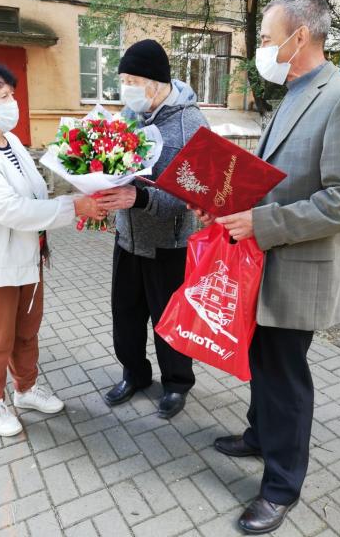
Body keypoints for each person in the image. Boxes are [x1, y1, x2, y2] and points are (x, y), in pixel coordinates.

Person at [192, 0, 340, 534]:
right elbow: (274, 177)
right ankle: (259, 436)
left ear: (300, 38)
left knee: (285, 377)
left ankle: (282, 485)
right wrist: (222, 203)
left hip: (298, 267)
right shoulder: (292, 91)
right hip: (265, 261)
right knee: (262, 359)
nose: (262, 48)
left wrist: (261, 225)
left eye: (267, 39)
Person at [0, 60, 104, 437]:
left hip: (27, 258)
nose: (13, 102)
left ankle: (26, 389)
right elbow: (8, 209)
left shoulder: (11, 142)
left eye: (12, 93)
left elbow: (34, 193)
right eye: (3, 96)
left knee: (26, 332)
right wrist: (74, 207)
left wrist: (84, 189)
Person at [97, 39, 209, 419]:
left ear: (157, 82)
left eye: (132, 79)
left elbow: (198, 192)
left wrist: (141, 199)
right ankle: (135, 374)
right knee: (125, 314)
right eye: (123, 78)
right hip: (127, 238)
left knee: (170, 320)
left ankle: (177, 383)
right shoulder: (129, 116)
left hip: (170, 244)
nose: (126, 86)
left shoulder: (191, 124)